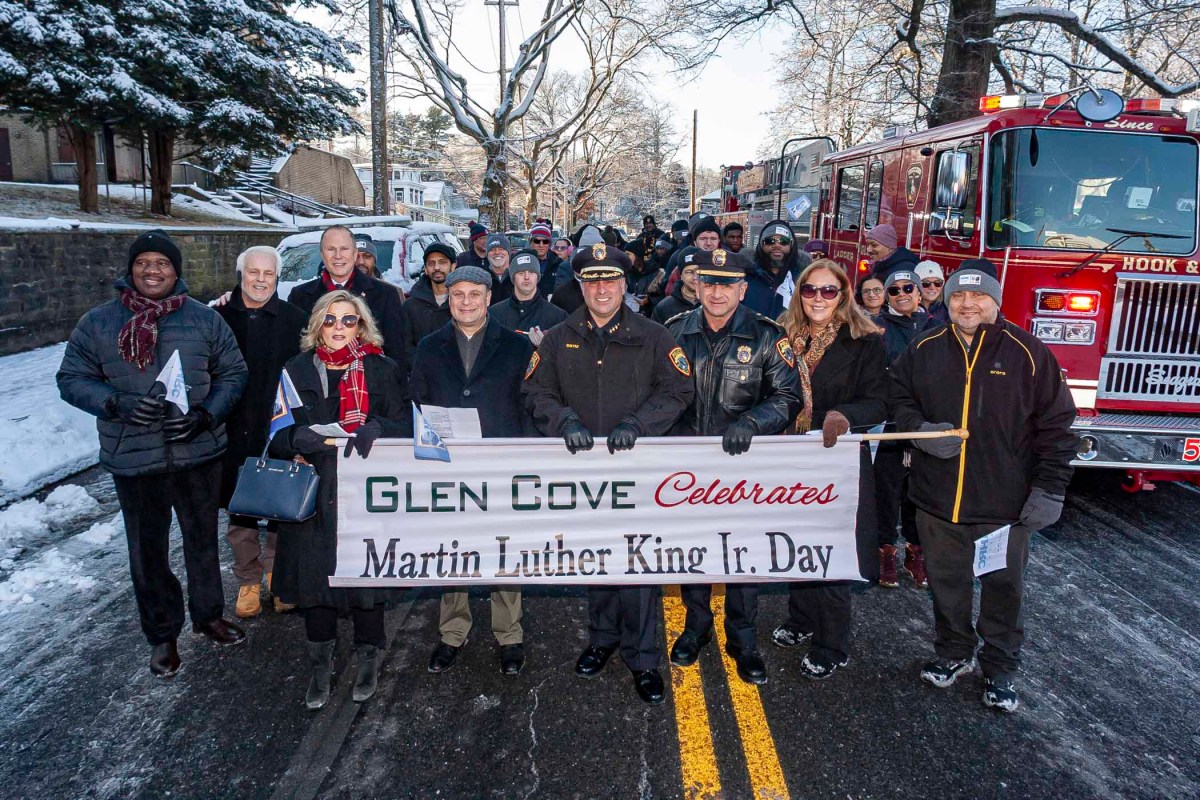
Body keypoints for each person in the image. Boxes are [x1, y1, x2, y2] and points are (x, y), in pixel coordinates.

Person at [57, 230, 249, 678]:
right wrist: (114, 403)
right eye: (143, 262)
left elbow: (233, 373)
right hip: (134, 456)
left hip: (197, 450)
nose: (152, 270)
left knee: (202, 541)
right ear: (130, 270)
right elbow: (71, 378)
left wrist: (206, 415)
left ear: (175, 271)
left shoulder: (204, 319)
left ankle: (208, 615)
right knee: (147, 551)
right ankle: (162, 633)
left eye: (161, 263)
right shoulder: (99, 322)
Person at [889, 258, 1075, 713]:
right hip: (937, 501)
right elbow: (897, 398)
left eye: (978, 295)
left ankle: (1000, 667)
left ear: (996, 300)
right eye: (958, 295)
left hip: (1003, 506)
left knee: (1003, 591)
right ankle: (954, 652)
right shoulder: (925, 346)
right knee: (947, 586)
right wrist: (921, 431)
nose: (967, 304)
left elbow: (1057, 426)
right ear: (947, 300)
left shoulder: (1029, 353)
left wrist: (1050, 488)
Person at [523, 242, 694, 704]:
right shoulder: (557, 338)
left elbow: (678, 391)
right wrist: (564, 422)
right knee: (595, 556)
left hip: (638, 472)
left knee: (636, 564)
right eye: (593, 281)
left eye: (611, 280)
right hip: (582, 471)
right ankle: (602, 639)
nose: (602, 289)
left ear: (624, 285)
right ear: (581, 286)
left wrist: (639, 424)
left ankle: (642, 657)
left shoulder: (654, 336)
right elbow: (536, 392)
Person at [269, 290, 413, 709]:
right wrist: (297, 437)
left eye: (348, 320)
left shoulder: (382, 369)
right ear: (318, 324)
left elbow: (408, 423)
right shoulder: (296, 369)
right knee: (315, 581)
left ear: (361, 325)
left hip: (364, 491)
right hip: (313, 493)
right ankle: (321, 662)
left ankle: (368, 656)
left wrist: (379, 427)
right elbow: (276, 432)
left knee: (366, 577)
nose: (338, 327)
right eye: (330, 319)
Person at [664, 248, 802, 685]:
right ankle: (696, 626)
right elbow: (656, 392)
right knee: (693, 551)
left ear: (742, 289)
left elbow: (788, 396)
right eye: (709, 282)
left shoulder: (767, 335)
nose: (717, 292)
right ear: (696, 285)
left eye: (727, 284)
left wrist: (752, 422)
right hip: (688, 469)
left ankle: (743, 639)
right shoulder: (674, 332)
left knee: (742, 555)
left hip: (743, 469)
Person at [411, 266, 535, 677]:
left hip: (501, 468)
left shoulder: (517, 347)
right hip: (448, 469)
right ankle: (452, 632)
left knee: (504, 548)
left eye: (474, 294)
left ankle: (509, 633)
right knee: (453, 548)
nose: (466, 302)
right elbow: (417, 403)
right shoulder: (429, 347)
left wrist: (525, 464)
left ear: (488, 298)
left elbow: (528, 406)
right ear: (448, 298)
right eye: (458, 294)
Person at [770, 258, 887, 680]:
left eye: (828, 291)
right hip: (788, 454)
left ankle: (832, 642)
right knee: (795, 540)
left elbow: (880, 401)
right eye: (810, 290)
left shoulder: (865, 340)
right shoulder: (781, 335)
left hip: (836, 456)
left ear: (843, 296)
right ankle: (801, 617)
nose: (818, 298)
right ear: (799, 294)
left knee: (831, 547)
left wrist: (845, 416)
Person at [215, 246, 308, 617]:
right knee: (240, 510)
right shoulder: (218, 316)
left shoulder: (295, 319)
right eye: (254, 272)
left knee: (281, 503)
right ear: (241, 274)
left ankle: (277, 575)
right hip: (232, 427)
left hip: (280, 426)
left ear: (277, 277)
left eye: (268, 273)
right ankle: (248, 580)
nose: (261, 279)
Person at [872, 268, 933, 589]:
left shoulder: (938, 327)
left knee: (919, 492)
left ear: (920, 292)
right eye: (894, 290)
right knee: (886, 491)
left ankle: (915, 551)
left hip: (926, 424)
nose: (902, 294)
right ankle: (885, 551)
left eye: (908, 288)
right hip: (890, 425)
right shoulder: (877, 328)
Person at [288, 226, 406, 368]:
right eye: (331, 249)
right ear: (322, 254)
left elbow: (396, 353)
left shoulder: (386, 294)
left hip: (370, 378)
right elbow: (297, 351)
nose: (338, 256)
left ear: (354, 253)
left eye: (344, 249)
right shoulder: (300, 296)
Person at [490, 249, 567, 345]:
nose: (526, 277)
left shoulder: (557, 316)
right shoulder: (494, 314)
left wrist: (546, 346)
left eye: (531, 272)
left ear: (537, 276)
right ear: (513, 277)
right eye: (521, 273)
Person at [400, 242, 457, 356]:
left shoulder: (463, 302)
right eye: (431, 263)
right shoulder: (411, 305)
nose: (436, 267)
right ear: (425, 269)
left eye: (442, 262)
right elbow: (405, 345)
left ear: (453, 266)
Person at [745, 219, 802, 318]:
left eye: (783, 241)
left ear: (791, 245)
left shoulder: (802, 279)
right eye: (770, 241)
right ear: (761, 245)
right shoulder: (745, 276)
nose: (777, 246)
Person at [652, 248, 701, 323]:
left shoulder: (714, 303)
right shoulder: (664, 308)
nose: (695, 277)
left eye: (699, 272)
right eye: (689, 272)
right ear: (681, 275)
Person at [527, 222, 561, 298]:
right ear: (531, 242)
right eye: (537, 241)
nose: (541, 245)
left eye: (545, 241)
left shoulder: (559, 264)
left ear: (549, 244)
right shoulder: (523, 263)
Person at [483, 233, 515, 303]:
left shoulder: (517, 275)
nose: (497, 252)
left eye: (501, 249)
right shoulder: (482, 277)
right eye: (492, 249)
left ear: (508, 253)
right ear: (487, 254)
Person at [915, 260, 949, 325]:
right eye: (926, 283)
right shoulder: (907, 307)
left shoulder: (949, 309)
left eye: (938, 283)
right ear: (916, 285)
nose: (932, 287)